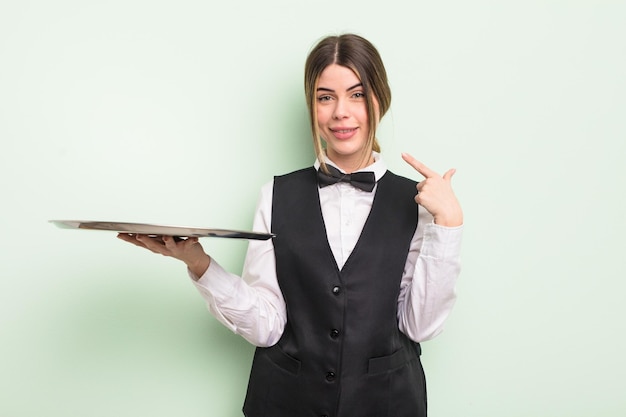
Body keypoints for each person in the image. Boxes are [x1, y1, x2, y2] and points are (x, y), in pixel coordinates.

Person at [118, 33, 463, 417]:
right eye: (325, 97)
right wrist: (199, 263)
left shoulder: (419, 202)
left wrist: (449, 224)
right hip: (285, 402)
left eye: (357, 94)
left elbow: (421, 327)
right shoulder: (276, 194)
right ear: (312, 105)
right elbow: (267, 325)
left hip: (386, 402)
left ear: (380, 99)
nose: (340, 113)